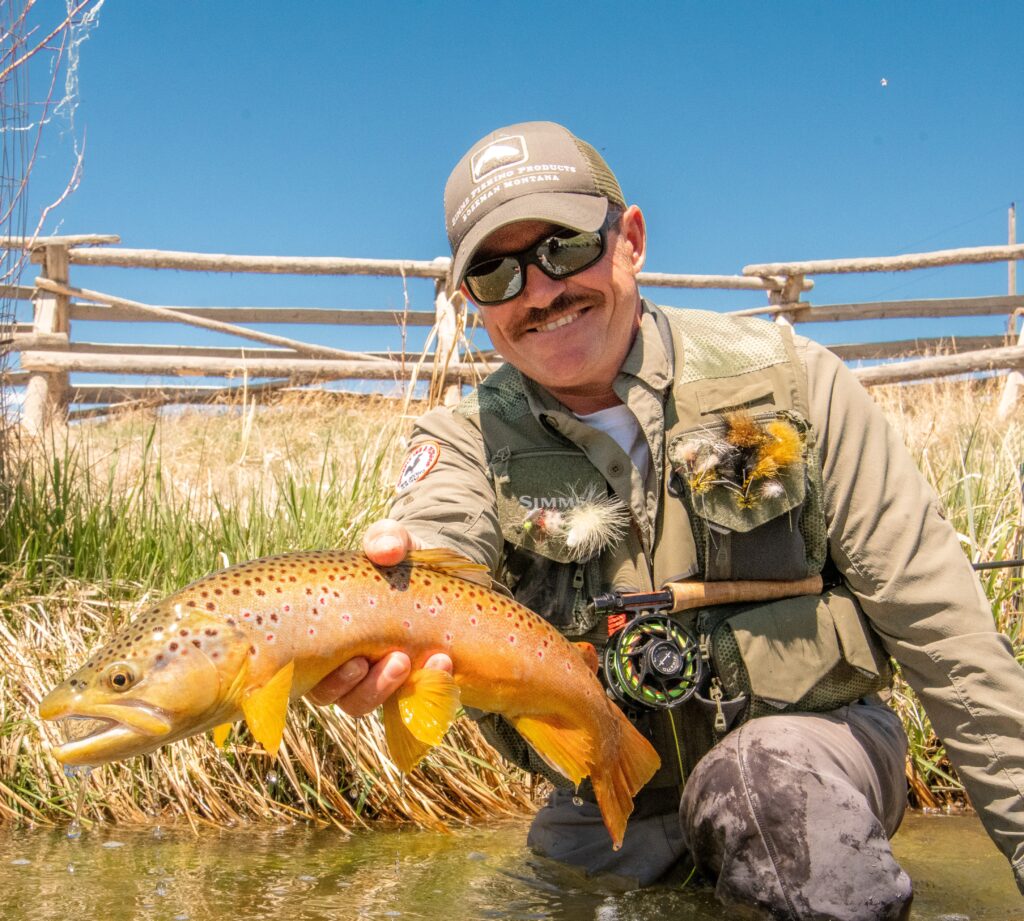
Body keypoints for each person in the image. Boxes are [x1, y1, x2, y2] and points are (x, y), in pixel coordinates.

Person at [309, 121, 1024, 920]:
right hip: (611, 796)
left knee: (761, 786)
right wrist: (384, 604)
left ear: (631, 241)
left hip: (816, 758)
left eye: (564, 247)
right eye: (496, 272)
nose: (540, 290)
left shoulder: (798, 385)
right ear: (473, 302)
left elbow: (949, 639)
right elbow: (434, 541)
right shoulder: (464, 440)